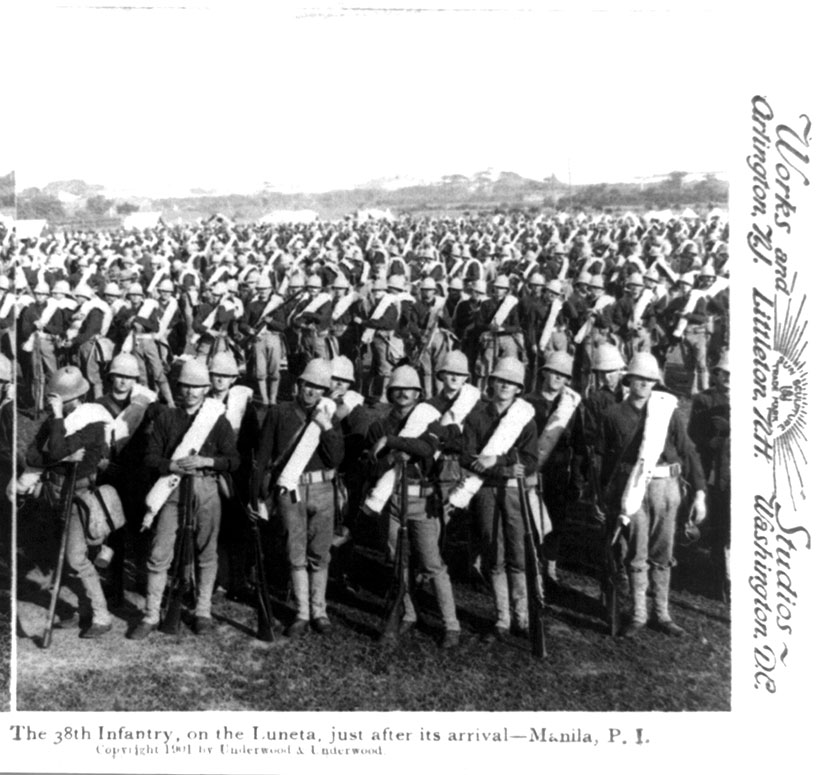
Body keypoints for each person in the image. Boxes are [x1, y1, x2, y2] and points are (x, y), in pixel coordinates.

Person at [130, 359, 240, 639]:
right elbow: (150, 458)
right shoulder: (166, 418)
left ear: (206, 389)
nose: (191, 392)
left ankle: (202, 610)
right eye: (186, 386)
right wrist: (173, 466)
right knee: (159, 552)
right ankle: (152, 614)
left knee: (206, 551)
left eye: (197, 387)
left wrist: (207, 460)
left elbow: (233, 460)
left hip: (206, 486)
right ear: (179, 388)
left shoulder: (217, 418)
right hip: (173, 487)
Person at [599, 352, 706, 637]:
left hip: (665, 487)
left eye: (649, 379)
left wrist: (700, 492)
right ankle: (638, 614)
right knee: (636, 551)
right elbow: (606, 460)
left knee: (662, 551)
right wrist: (605, 496)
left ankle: (662, 613)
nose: (644, 384)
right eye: (639, 378)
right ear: (629, 379)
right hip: (631, 488)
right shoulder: (612, 415)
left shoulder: (665, 410)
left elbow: (688, 450)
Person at [363, 365, 461, 648]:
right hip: (393, 498)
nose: (404, 393)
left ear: (418, 393)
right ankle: (408, 612)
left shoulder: (429, 419)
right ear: (390, 392)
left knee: (432, 563)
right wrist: (389, 458)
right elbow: (374, 464)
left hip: (423, 499)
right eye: (398, 389)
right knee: (397, 560)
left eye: (410, 389)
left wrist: (394, 445)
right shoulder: (380, 425)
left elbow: (427, 449)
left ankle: (451, 623)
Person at [254, 358, 344, 637]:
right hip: (289, 490)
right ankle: (302, 612)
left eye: (318, 388)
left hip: (322, 490)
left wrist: (326, 426)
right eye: (308, 385)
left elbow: (337, 457)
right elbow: (264, 455)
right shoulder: (280, 413)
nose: (311, 392)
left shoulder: (330, 415)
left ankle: (320, 610)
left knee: (320, 552)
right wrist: (257, 495)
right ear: (298, 385)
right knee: (295, 552)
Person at [24, 366, 115, 638]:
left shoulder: (93, 422)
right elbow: (32, 456)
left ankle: (101, 615)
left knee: (76, 558)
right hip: (54, 495)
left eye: (61, 399)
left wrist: (59, 424)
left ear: (76, 398)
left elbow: (54, 449)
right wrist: (58, 454)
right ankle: (81, 611)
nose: (56, 403)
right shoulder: (56, 421)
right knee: (63, 558)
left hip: (78, 495)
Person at [453, 356, 539, 641]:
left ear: (518, 389)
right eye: (500, 380)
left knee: (518, 552)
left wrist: (495, 460)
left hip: (514, 491)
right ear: (491, 382)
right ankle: (502, 618)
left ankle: (523, 617)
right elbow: (468, 458)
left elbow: (529, 460)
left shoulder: (524, 417)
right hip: (487, 490)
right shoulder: (477, 417)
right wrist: (503, 466)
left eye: (511, 383)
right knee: (494, 552)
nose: (505, 386)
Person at [524, 351, 584, 586]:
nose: (558, 378)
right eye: (554, 372)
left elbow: (579, 444)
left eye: (563, 375)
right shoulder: (527, 402)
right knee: (529, 518)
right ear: (544, 373)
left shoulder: (570, 406)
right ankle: (531, 561)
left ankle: (550, 565)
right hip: (531, 471)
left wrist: (577, 479)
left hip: (558, 472)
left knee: (556, 518)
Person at [687, 351, 730, 602]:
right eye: (722, 373)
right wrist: (711, 441)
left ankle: (727, 578)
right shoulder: (704, 400)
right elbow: (694, 437)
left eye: (731, 374)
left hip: (735, 471)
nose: (726, 378)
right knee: (715, 523)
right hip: (712, 468)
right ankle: (716, 579)